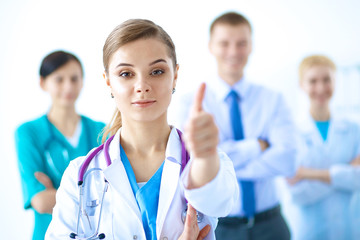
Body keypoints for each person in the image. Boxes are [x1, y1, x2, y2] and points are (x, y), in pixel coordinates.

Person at [45, 19, 238, 240]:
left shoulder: (206, 162)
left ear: (175, 75)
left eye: (156, 71)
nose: (142, 85)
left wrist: (204, 159)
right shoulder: (80, 176)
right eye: (126, 74)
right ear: (108, 82)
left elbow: (219, 202)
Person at [173, 12, 296, 240]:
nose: (233, 52)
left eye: (241, 43)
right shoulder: (191, 103)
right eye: (224, 43)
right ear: (211, 46)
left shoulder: (273, 99)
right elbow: (190, 164)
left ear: (251, 46)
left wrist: (222, 164)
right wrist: (257, 146)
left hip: (271, 224)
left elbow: (287, 160)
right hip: (220, 228)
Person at [14, 50, 105, 240]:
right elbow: (39, 201)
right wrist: (91, 197)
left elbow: (115, 197)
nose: (68, 86)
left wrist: (55, 193)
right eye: (59, 79)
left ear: (82, 81)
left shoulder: (101, 131)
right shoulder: (28, 133)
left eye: (74, 78)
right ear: (42, 83)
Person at [286, 55, 360, 240]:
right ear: (301, 84)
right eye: (313, 81)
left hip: (350, 228)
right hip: (310, 230)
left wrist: (306, 173)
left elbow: (358, 179)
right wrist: (346, 175)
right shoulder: (291, 133)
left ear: (335, 82)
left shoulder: (353, 130)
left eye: (327, 80)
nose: (320, 88)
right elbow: (297, 193)